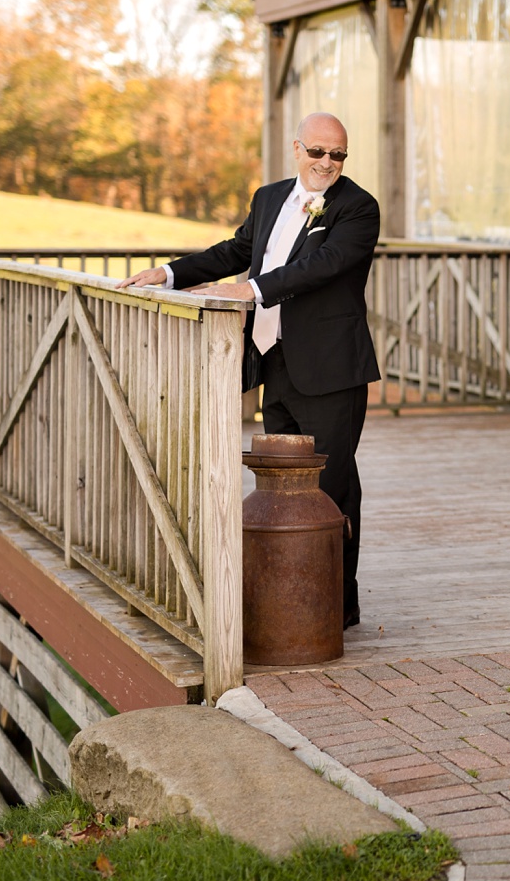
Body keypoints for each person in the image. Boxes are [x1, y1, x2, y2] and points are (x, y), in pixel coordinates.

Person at [120, 112, 380, 630]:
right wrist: (170, 273)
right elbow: (238, 251)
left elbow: (321, 266)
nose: (327, 163)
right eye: (317, 152)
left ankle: (336, 606)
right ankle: (291, 595)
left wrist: (250, 290)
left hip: (330, 370)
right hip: (276, 362)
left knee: (331, 488)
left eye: (338, 155)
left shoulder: (358, 208)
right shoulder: (269, 197)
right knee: (281, 487)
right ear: (296, 148)